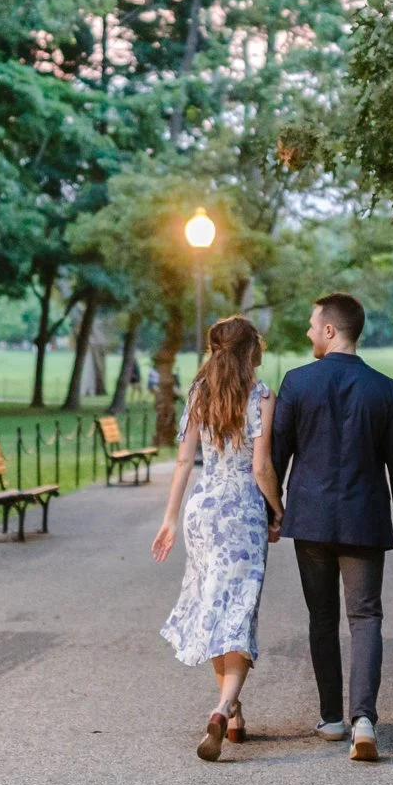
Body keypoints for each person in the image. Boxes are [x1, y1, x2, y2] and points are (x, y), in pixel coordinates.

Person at [271, 292, 393, 762]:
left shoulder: (297, 383)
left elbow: (277, 457)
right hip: (364, 518)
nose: (310, 332)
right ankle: (364, 720)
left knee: (322, 617)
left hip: (310, 520)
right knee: (366, 616)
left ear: (331, 330)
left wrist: (273, 513)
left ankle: (332, 717)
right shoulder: (385, 389)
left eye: (314, 325)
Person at [152, 317, 281, 762]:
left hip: (202, 511)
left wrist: (170, 518)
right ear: (251, 351)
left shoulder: (198, 394)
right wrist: (278, 511)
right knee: (239, 608)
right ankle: (222, 706)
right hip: (242, 511)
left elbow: (185, 462)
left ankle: (236, 713)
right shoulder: (262, 397)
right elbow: (261, 469)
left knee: (214, 604)